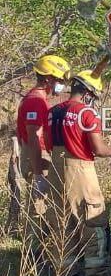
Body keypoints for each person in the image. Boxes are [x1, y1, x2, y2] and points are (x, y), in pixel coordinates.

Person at [45, 70, 111, 276]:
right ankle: (94, 275)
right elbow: (97, 148)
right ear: (88, 93)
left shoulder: (52, 112)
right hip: (80, 169)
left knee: (62, 222)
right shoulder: (87, 114)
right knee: (93, 220)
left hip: (55, 168)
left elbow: (48, 144)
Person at [10, 55, 71, 235]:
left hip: (37, 157)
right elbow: (33, 137)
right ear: (48, 78)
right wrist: (38, 175)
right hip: (36, 158)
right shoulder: (35, 101)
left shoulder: (38, 99)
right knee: (38, 208)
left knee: (40, 206)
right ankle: (35, 254)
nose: (61, 84)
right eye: (59, 80)